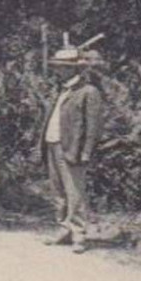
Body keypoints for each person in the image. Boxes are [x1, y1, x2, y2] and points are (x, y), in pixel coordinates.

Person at [39, 43, 106, 253]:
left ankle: (79, 234)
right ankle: (63, 229)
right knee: (58, 191)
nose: (58, 70)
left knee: (74, 191)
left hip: (72, 148)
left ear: (73, 69)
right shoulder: (61, 90)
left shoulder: (88, 92)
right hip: (52, 143)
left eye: (62, 67)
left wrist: (86, 151)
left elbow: (93, 126)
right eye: (58, 67)